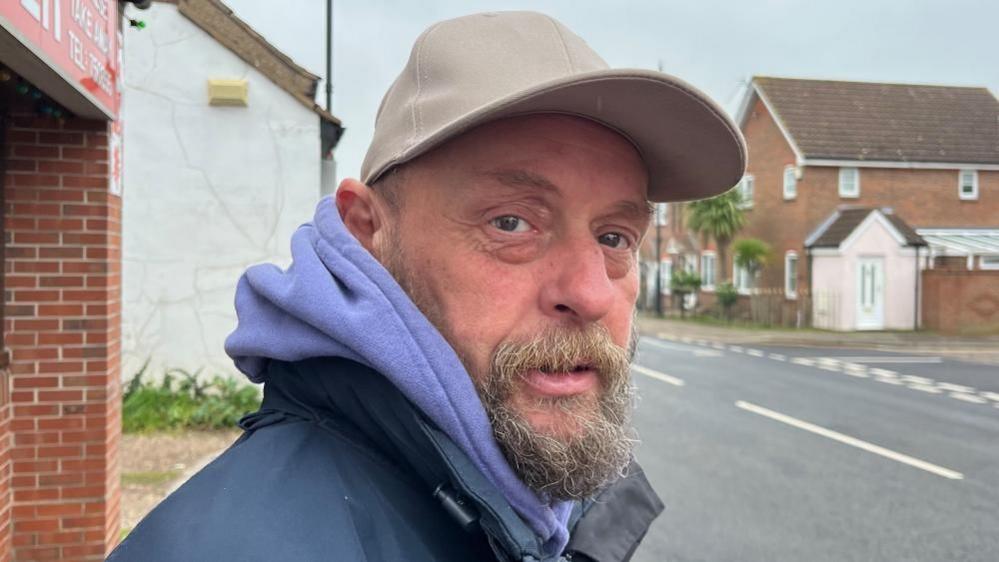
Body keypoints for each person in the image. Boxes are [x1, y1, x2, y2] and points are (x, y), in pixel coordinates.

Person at [109, 10, 745, 562]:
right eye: (511, 222)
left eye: (614, 238)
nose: (592, 293)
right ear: (368, 233)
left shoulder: (545, 498)